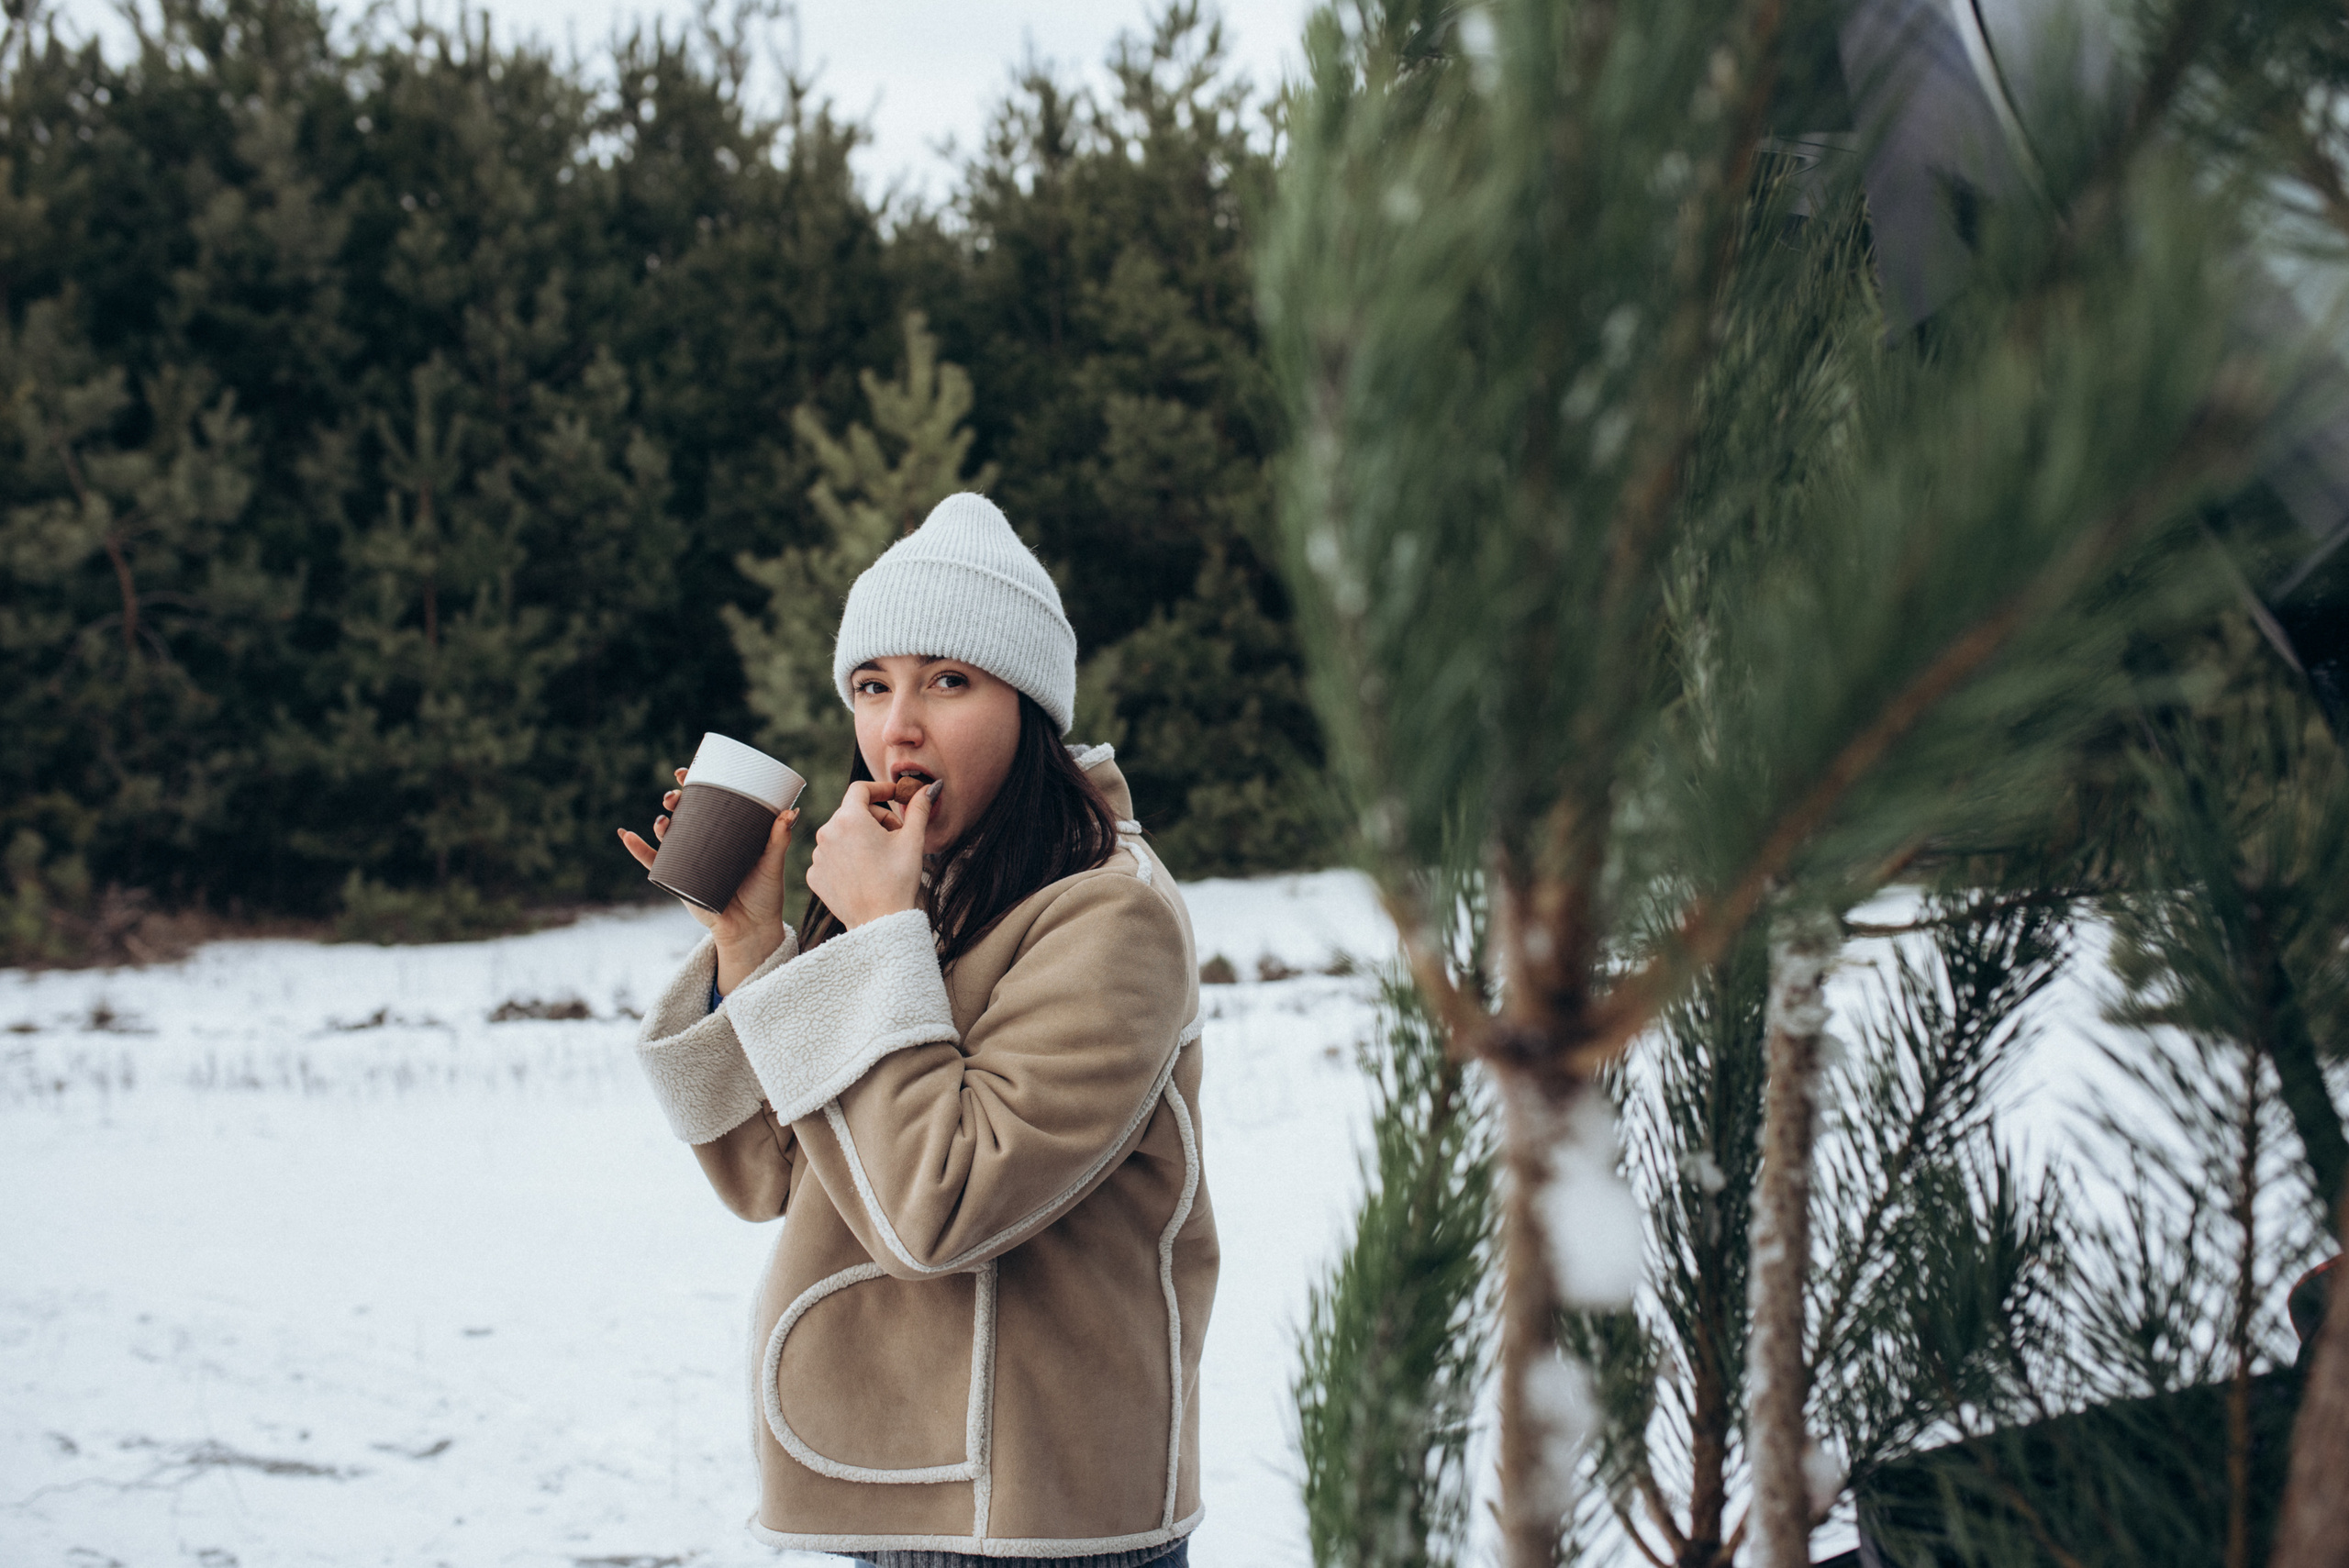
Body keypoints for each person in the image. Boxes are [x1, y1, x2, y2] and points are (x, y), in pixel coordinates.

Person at [618, 493, 1216, 1566]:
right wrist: (754, 946)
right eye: (870, 683)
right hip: (888, 1487)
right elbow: (774, 1177)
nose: (898, 723)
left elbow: (940, 1206)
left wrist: (880, 927)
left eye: (949, 679)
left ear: (1027, 704)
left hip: (1048, 1517)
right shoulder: (919, 891)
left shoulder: (1111, 911)